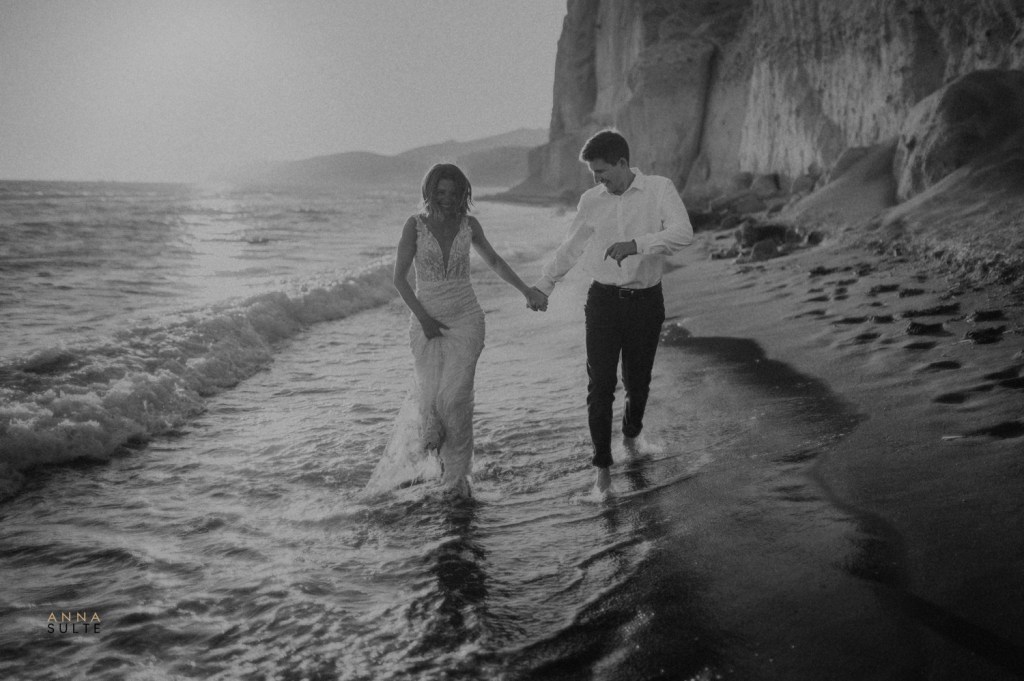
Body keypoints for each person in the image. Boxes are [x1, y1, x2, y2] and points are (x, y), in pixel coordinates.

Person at [369, 163, 548, 499]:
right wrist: (423, 319)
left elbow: (494, 261)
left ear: (464, 193)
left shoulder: (470, 225)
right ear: (429, 192)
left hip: (467, 318)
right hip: (426, 319)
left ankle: (457, 478)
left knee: (455, 399)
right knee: (433, 403)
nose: (447, 199)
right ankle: (441, 467)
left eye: (454, 193)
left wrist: (527, 291)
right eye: (441, 192)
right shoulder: (415, 225)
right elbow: (399, 279)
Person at [530, 130, 694, 493]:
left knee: (638, 383)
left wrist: (636, 244)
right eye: (593, 173)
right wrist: (545, 285)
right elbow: (571, 247)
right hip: (602, 302)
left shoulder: (659, 189)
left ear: (623, 163)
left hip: (646, 303)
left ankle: (631, 435)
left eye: (602, 170)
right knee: (600, 386)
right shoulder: (592, 200)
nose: (597, 179)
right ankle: (602, 469)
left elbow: (684, 233)